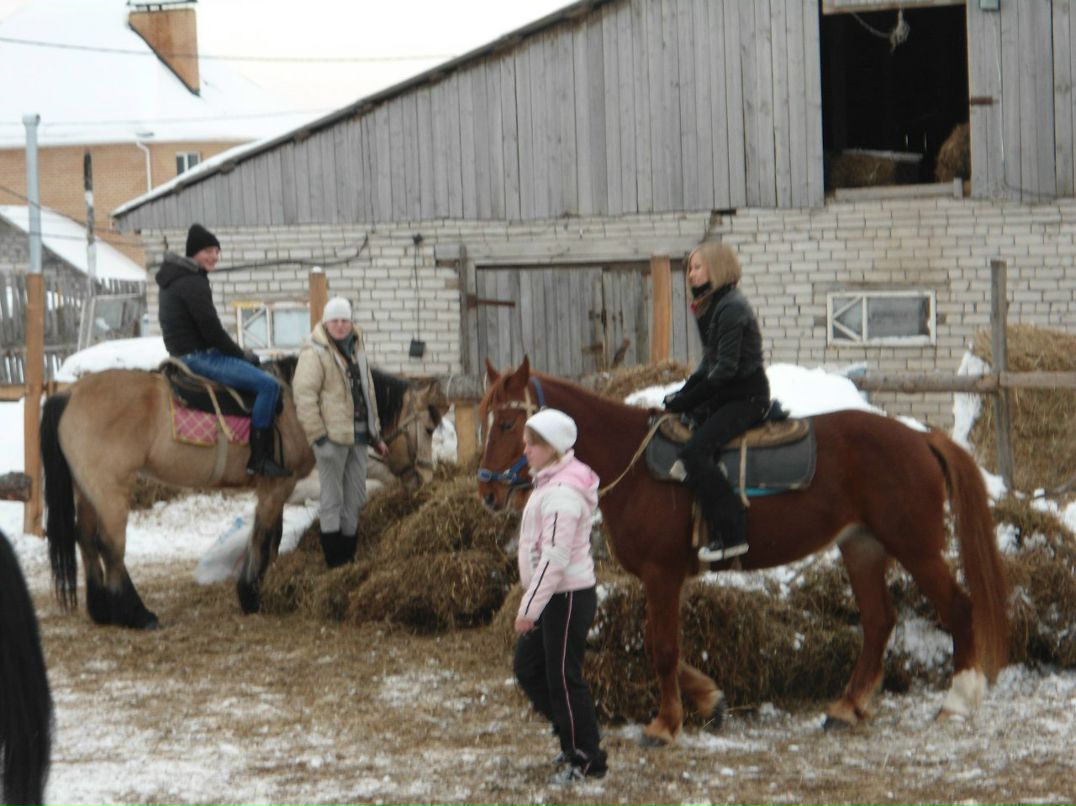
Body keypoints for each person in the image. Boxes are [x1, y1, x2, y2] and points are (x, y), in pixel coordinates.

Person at [513, 408, 607, 783]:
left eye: (532, 443)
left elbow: (554, 558)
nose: (525, 449)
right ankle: (575, 739)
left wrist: (529, 609)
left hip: (565, 598)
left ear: (552, 447)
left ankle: (586, 759)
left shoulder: (564, 493)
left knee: (564, 679)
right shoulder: (549, 482)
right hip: (551, 597)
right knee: (528, 669)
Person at [662, 241, 770, 563]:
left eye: (697, 267)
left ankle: (731, 533)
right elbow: (708, 364)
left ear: (717, 268)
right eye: (690, 269)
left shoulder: (731, 307)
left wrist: (688, 400)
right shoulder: (713, 305)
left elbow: (724, 371)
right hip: (728, 394)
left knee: (694, 453)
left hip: (746, 398)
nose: (691, 274)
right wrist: (682, 395)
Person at [156, 223, 290, 478]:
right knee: (269, 386)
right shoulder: (193, 282)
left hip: (182, 354)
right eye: (208, 251)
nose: (214, 257)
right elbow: (213, 332)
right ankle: (259, 458)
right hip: (199, 357)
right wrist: (243, 355)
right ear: (193, 252)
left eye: (217, 251)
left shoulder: (174, 280)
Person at [293, 296, 389, 568]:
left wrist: (376, 436)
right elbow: (304, 396)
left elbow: (367, 395)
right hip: (331, 440)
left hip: (358, 439)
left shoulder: (357, 349)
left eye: (344, 320)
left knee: (355, 498)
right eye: (334, 320)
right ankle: (334, 561)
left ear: (351, 322)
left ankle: (348, 559)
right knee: (332, 499)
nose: (340, 325)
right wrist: (318, 437)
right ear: (325, 322)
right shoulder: (315, 353)